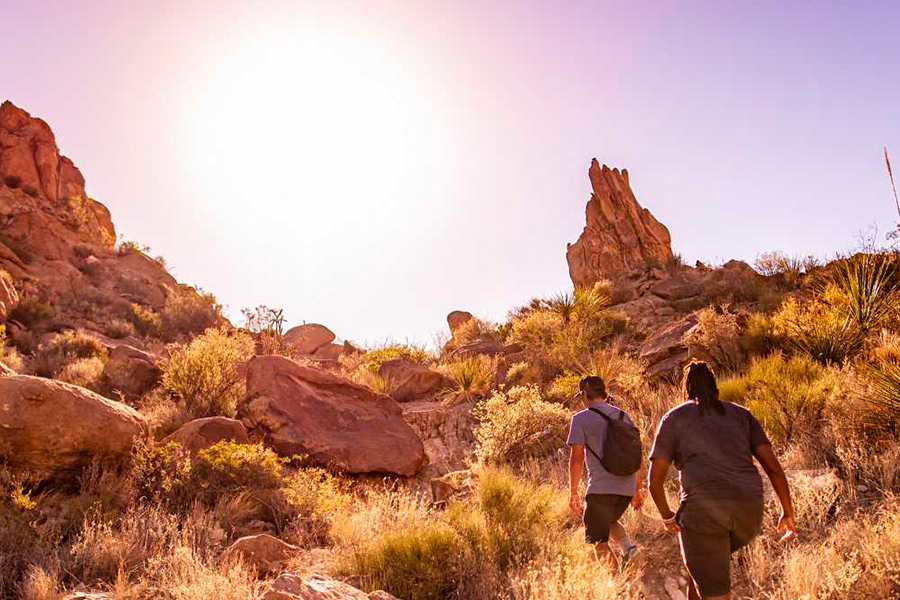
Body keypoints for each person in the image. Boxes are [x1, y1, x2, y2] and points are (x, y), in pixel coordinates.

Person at [648, 361, 796, 600]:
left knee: (713, 582)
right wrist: (787, 511)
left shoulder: (674, 418)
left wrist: (667, 516)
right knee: (704, 570)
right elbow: (773, 468)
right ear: (716, 388)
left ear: (687, 391)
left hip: (705, 514)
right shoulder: (741, 415)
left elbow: (654, 482)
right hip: (748, 513)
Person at [567, 375, 645, 571]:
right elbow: (637, 454)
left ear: (584, 393)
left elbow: (576, 458)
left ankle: (616, 584)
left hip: (601, 489)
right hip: (626, 489)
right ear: (603, 393)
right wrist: (637, 489)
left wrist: (573, 492)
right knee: (609, 521)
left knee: (598, 541)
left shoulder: (580, 418)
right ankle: (629, 549)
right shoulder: (623, 416)